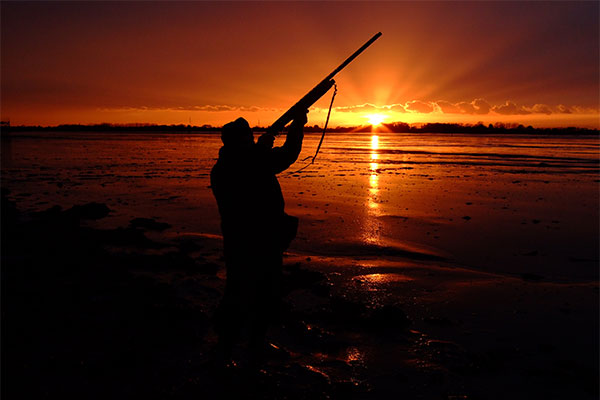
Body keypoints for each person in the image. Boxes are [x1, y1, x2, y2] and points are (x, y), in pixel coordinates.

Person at [210, 110, 308, 365]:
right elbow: (287, 156)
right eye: (247, 139)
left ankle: (231, 346)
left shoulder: (226, 165)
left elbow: (263, 162)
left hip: (240, 240)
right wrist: (297, 125)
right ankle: (246, 347)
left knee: (241, 291)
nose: (251, 141)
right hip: (258, 240)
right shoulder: (244, 163)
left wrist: (260, 149)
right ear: (238, 141)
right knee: (259, 293)